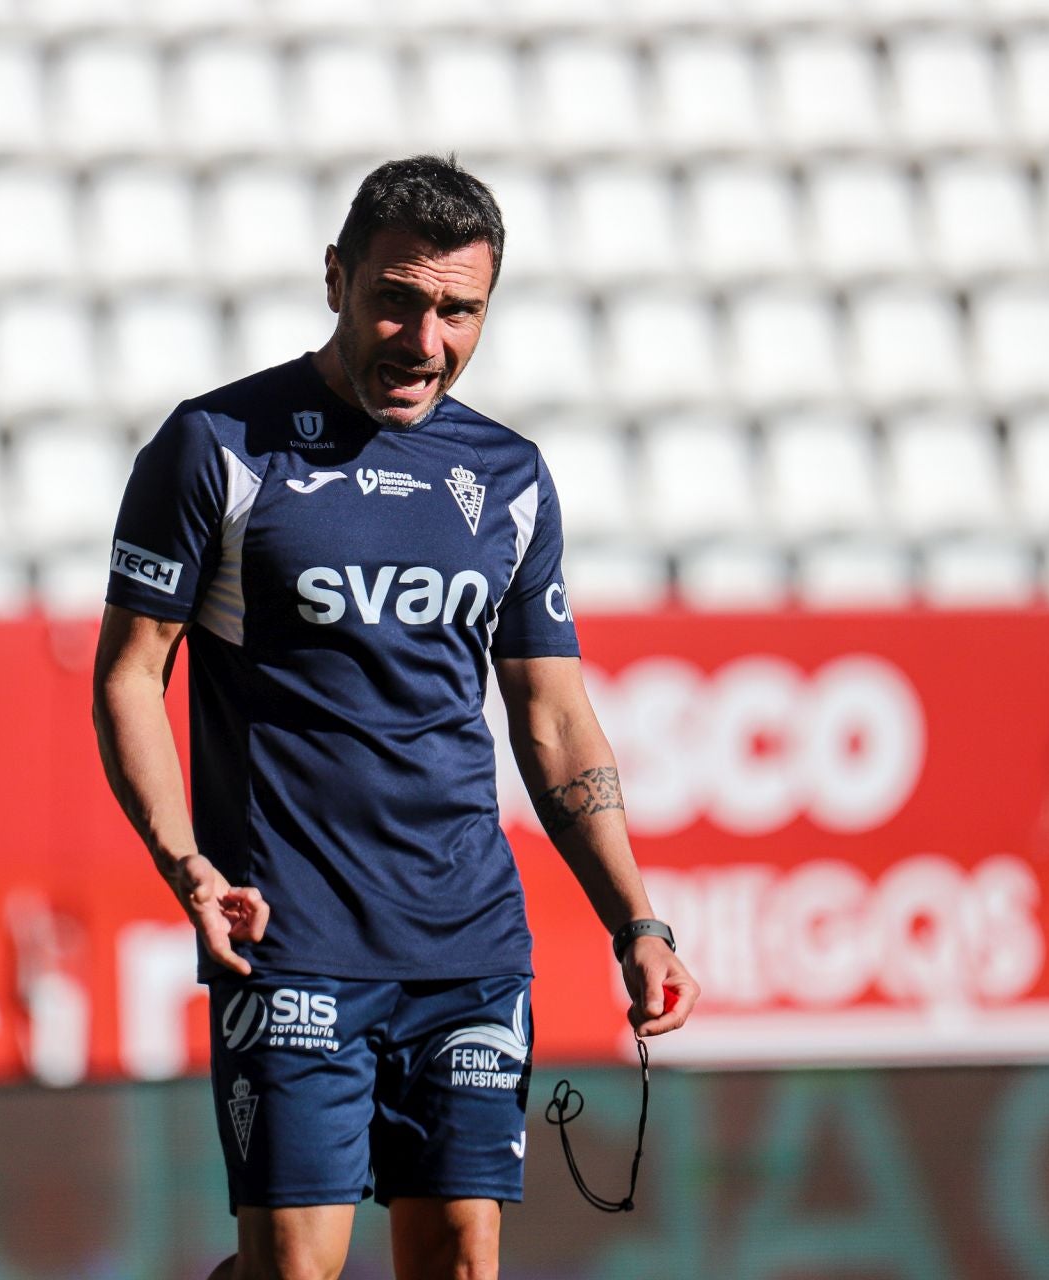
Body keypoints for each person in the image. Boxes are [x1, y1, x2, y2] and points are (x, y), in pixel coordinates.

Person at [93, 154, 699, 1280]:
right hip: (291, 936)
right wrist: (186, 864)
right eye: (398, 299)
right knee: (295, 1268)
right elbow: (132, 675)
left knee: (464, 1262)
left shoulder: (508, 475)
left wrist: (638, 920)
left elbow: (554, 717)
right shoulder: (217, 447)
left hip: (467, 943)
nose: (425, 337)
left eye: (458, 310)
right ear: (337, 279)